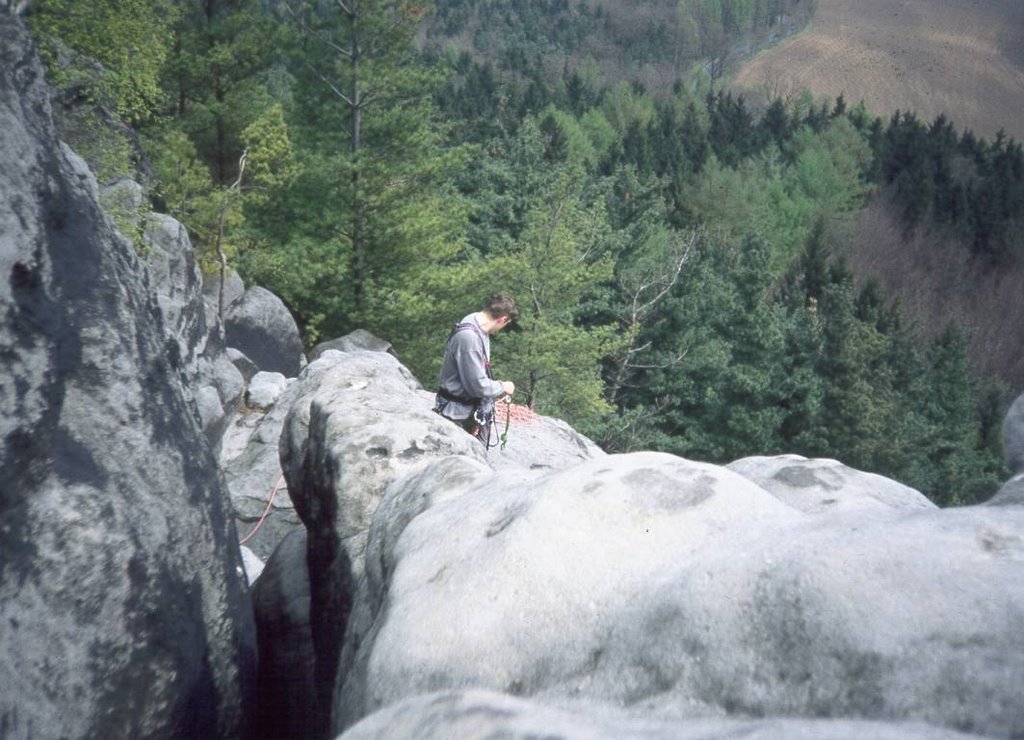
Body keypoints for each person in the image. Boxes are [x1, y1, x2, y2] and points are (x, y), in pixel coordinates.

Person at [434, 294, 518, 442]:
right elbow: (477, 386)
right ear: (502, 319)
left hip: (467, 409)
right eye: (506, 324)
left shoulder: (475, 320)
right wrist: (503, 386)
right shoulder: (469, 338)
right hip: (458, 415)